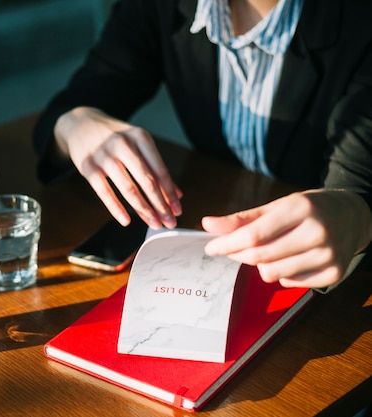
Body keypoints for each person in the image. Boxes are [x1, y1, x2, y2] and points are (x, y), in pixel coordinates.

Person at [33, 0, 372, 291]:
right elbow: (73, 103)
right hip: (221, 256)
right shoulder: (162, 6)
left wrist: (358, 215)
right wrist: (74, 123)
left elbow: (357, 186)